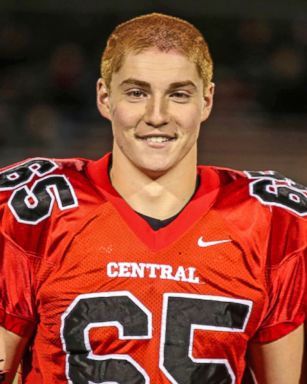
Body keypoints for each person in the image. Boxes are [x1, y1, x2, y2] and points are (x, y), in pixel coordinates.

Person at [0, 12, 306, 384]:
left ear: (207, 101)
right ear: (104, 97)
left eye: (178, 94)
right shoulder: (37, 207)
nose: (157, 115)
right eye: (136, 92)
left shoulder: (268, 219)